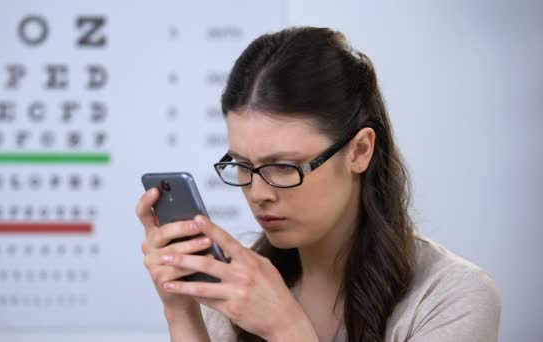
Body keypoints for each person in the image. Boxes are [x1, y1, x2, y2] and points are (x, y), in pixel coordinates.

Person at [136, 26, 501, 342]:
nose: (259, 194)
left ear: (359, 151)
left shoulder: (450, 295)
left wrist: (286, 327)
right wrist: (180, 308)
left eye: (283, 166)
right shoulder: (239, 285)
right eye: (243, 165)